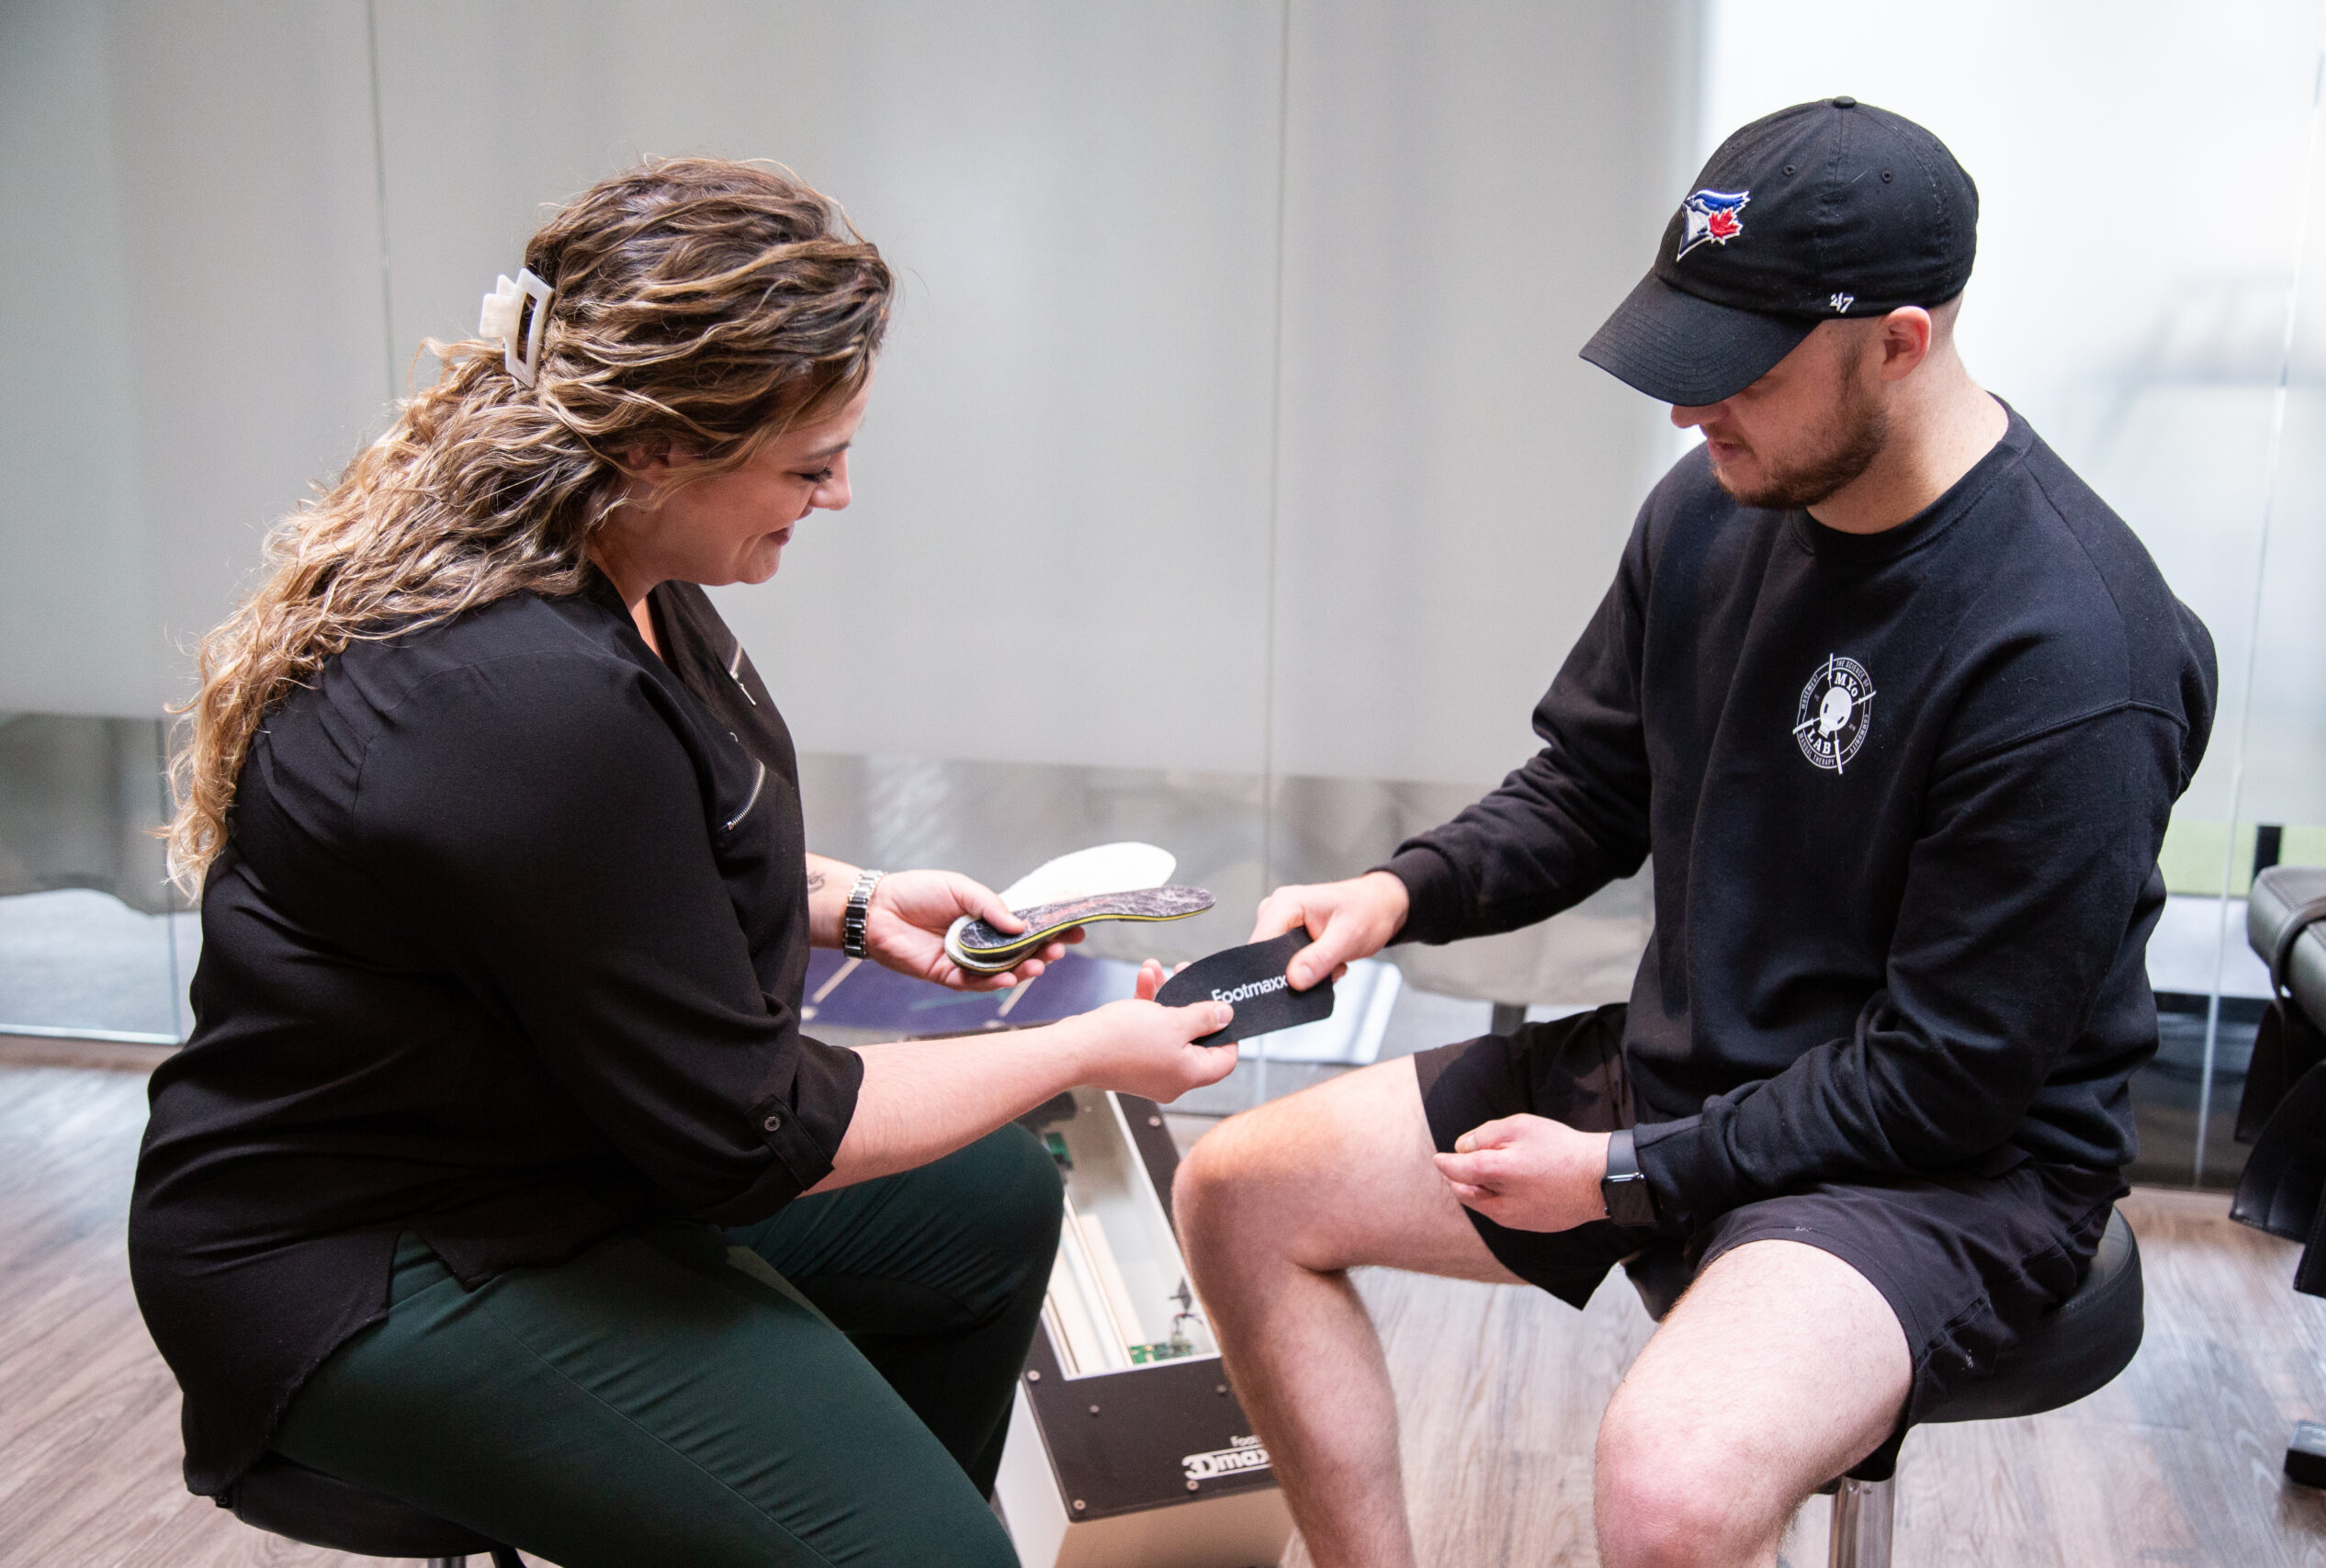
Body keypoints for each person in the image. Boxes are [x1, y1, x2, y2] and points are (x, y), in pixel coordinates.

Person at [128, 157, 1239, 1568]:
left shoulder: (622, 576)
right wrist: (1087, 1048)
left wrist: (848, 903)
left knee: (986, 1208)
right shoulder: (519, 694)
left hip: (560, 1146)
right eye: (808, 463)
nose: (837, 496)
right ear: (657, 444)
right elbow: (755, 1133)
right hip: (381, 1258)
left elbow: (614, 858)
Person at [1174, 98, 2218, 1568]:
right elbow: (1594, 787)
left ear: (1900, 343)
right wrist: (1397, 893)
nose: (1687, 410)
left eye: (1737, 372)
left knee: (1667, 1482)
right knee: (1238, 1191)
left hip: (1946, 1172)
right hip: (1691, 1067)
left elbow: (1947, 1079)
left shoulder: (2071, 652)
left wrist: (1622, 1176)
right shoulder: (1714, 510)